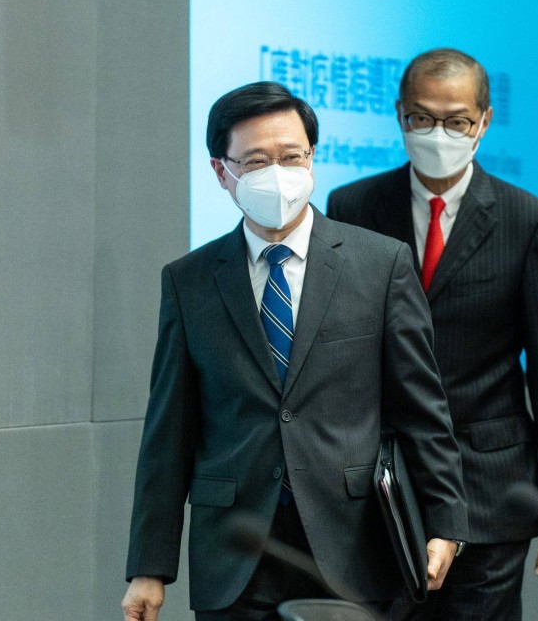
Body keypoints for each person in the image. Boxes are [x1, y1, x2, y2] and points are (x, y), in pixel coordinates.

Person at [121, 82, 469, 621]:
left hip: (353, 543)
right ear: (222, 172)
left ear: (312, 160)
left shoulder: (379, 265)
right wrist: (149, 566)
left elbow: (424, 412)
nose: (277, 173)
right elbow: (168, 434)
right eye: (256, 161)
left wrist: (446, 523)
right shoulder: (189, 281)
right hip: (235, 552)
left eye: (291, 156)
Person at [326, 48, 538, 621]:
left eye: (457, 121)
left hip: (489, 487)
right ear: (399, 116)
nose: (438, 133)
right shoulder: (353, 207)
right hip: (383, 481)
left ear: (484, 122)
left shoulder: (526, 220)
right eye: (422, 118)